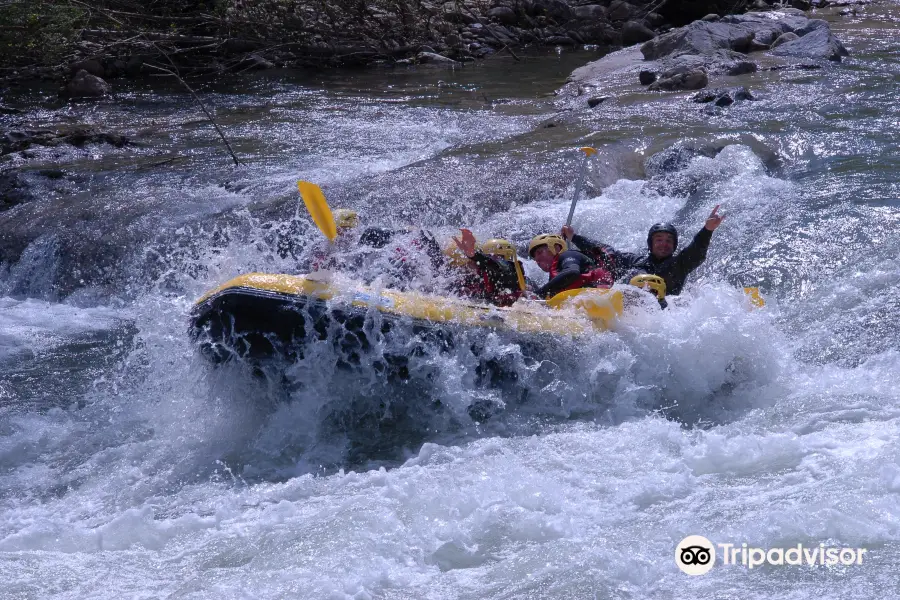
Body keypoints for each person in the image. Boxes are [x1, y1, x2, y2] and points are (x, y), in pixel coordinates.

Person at [561, 204, 726, 297]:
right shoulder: (634, 261)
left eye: (669, 241)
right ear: (651, 244)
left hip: (664, 314)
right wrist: (574, 237)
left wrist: (707, 230)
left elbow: (696, 250)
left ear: (674, 246)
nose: (664, 244)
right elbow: (604, 251)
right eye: (659, 240)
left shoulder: (680, 264)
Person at [450, 230, 526, 307]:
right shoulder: (473, 278)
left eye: (501, 258)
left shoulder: (503, 270)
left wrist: (472, 254)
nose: (468, 264)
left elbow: (490, 263)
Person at [527, 232, 615, 299]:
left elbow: (572, 272)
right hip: (585, 299)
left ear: (556, 248)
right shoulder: (555, 277)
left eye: (539, 252)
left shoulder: (568, 255)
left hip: (600, 296)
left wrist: (538, 294)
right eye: (534, 258)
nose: (537, 259)